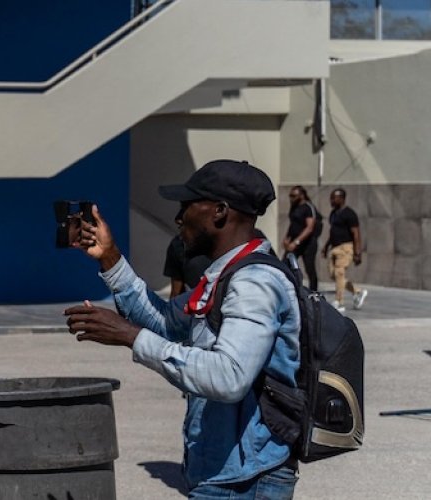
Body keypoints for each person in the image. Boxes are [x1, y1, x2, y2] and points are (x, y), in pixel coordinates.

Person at [65, 160, 302, 499]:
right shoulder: (224, 276)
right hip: (221, 472)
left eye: (187, 206)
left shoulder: (255, 282)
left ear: (219, 211)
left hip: (245, 480)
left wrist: (130, 336)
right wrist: (110, 258)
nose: (179, 218)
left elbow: (229, 376)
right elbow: (164, 322)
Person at [322, 188, 369, 311]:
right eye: (331, 198)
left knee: (339, 273)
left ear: (341, 198)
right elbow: (332, 232)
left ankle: (339, 302)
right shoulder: (333, 214)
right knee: (335, 275)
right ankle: (357, 292)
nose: (331, 201)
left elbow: (356, 233)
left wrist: (358, 252)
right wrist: (326, 246)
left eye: (334, 198)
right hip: (334, 248)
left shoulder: (350, 214)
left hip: (346, 247)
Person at [284, 187, 321, 292]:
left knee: (310, 268)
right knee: (284, 264)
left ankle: (313, 291)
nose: (291, 198)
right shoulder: (294, 207)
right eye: (290, 196)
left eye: (294, 196)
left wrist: (296, 242)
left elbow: (310, 228)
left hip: (308, 243)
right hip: (294, 242)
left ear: (301, 195)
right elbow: (293, 224)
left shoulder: (308, 207)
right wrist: (287, 238)